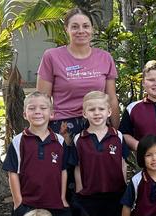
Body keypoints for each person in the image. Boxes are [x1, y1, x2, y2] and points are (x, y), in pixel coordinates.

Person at [37, 7, 120, 138]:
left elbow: (112, 98)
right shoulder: (52, 57)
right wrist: (40, 133)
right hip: (63, 127)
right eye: (75, 27)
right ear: (66, 29)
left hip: (97, 123)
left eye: (86, 26)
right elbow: (42, 100)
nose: (81, 31)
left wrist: (116, 132)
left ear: (92, 29)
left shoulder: (105, 57)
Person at [3, 91, 72, 216]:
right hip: (28, 202)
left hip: (53, 201)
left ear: (52, 113)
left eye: (43, 108)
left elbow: (63, 171)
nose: (38, 112)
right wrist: (18, 202)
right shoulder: (18, 140)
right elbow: (12, 172)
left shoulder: (59, 141)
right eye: (32, 108)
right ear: (25, 114)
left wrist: (62, 198)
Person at [71, 91, 128, 216]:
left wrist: (123, 185)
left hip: (113, 190)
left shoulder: (117, 136)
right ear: (84, 113)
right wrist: (80, 188)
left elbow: (123, 163)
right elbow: (77, 166)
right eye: (91, 109)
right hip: (89, 191)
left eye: (101, 109)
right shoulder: (79, 138)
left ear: (109, 112)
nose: (97, 113)